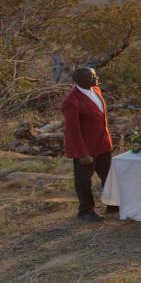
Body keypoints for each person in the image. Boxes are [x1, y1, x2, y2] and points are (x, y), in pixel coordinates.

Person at [59, 66, 116, 222]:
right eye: (90, 76)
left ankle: (112, 204)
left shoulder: (96, 90)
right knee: (84, 180)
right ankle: (85, 210)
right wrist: (82, 153)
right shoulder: (71, 101)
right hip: (85, 148)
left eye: (94, 75)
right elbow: (73, 130)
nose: (95, 78)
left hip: (102, 143)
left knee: (109, 175)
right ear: (78, 80)